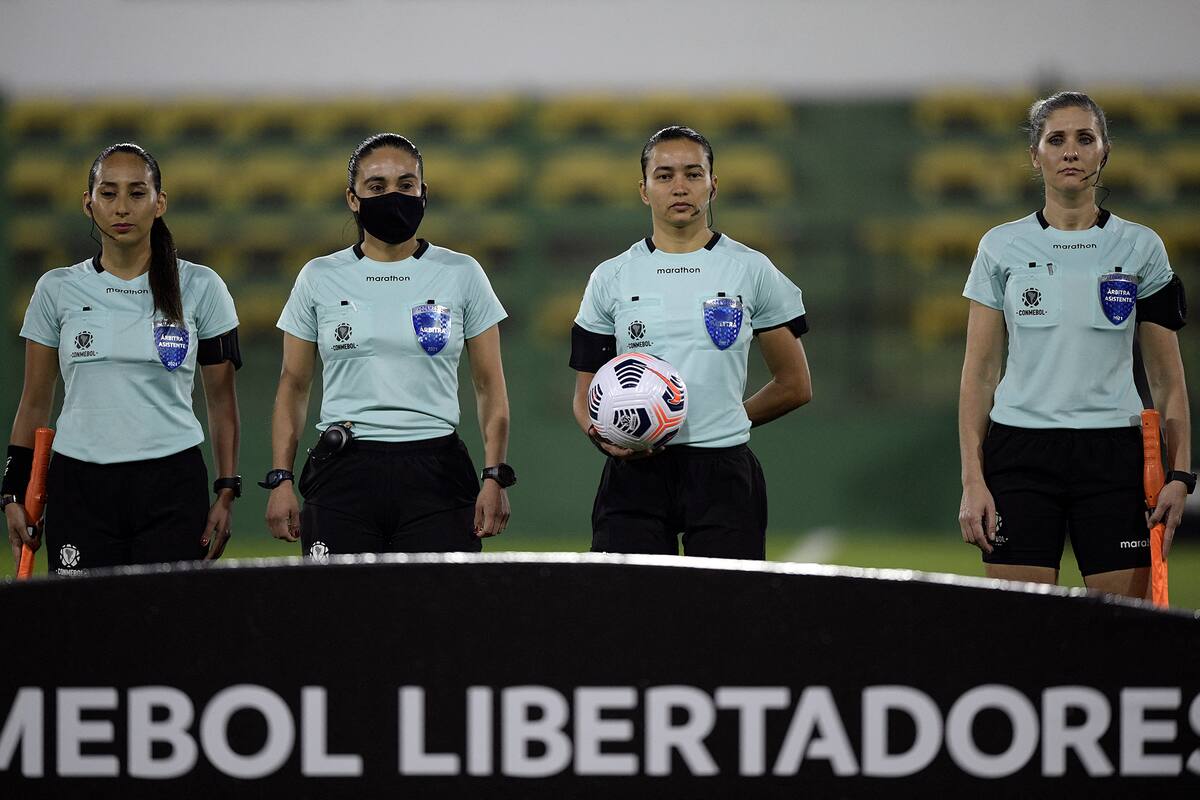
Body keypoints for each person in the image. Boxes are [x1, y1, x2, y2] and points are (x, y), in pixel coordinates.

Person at [958, 91, 1192, 599]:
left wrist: (1180, 474)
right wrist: (972, 480)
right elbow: (979, 374)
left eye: (1085, 139)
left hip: (1114, 453)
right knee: (1020, 634)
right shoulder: (1000, 246)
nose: (1070, 151)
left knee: (1117, 635)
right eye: (1056, 139)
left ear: (1104, 152)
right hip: (1020, 452)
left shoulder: (1141, 246)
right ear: (1035, 154)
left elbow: (1166, 378)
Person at [570, 125, 812, 559]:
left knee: (723, 618)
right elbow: (585, 394)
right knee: (627, 611)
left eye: (693, 174)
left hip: (723, 471)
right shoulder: (611, 276)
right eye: (664, 176)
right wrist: (601, 434)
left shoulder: (752, 270)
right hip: (635, 473)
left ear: (713, 186)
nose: (679, 186)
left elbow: (795, 384)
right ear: (643, 190)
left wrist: (723, 421)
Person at [264, 133, 512, 558]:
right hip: (343, 471)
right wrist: (281, 478)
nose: (392, 196)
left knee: (442, 615)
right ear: (353, 198)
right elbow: (293, 384)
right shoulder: (318, 277)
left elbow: (490, 385)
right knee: (343, 615)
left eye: (405, 184)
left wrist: (494, 476)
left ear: (423, 192)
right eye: (377, 187)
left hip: (437, 470)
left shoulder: (461, 273)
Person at [2, 143, 242, 573]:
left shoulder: (203, 287)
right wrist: (12, 492)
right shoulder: (56, 289)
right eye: (108, 193)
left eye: (137, 193)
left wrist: (226, 491)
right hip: (80, 486)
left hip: (171, 483)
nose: (121, 208)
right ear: (88, 203)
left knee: (167, 630)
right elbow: (34, 402)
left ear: (159, 202)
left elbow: (222, 404)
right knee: (85, 631)